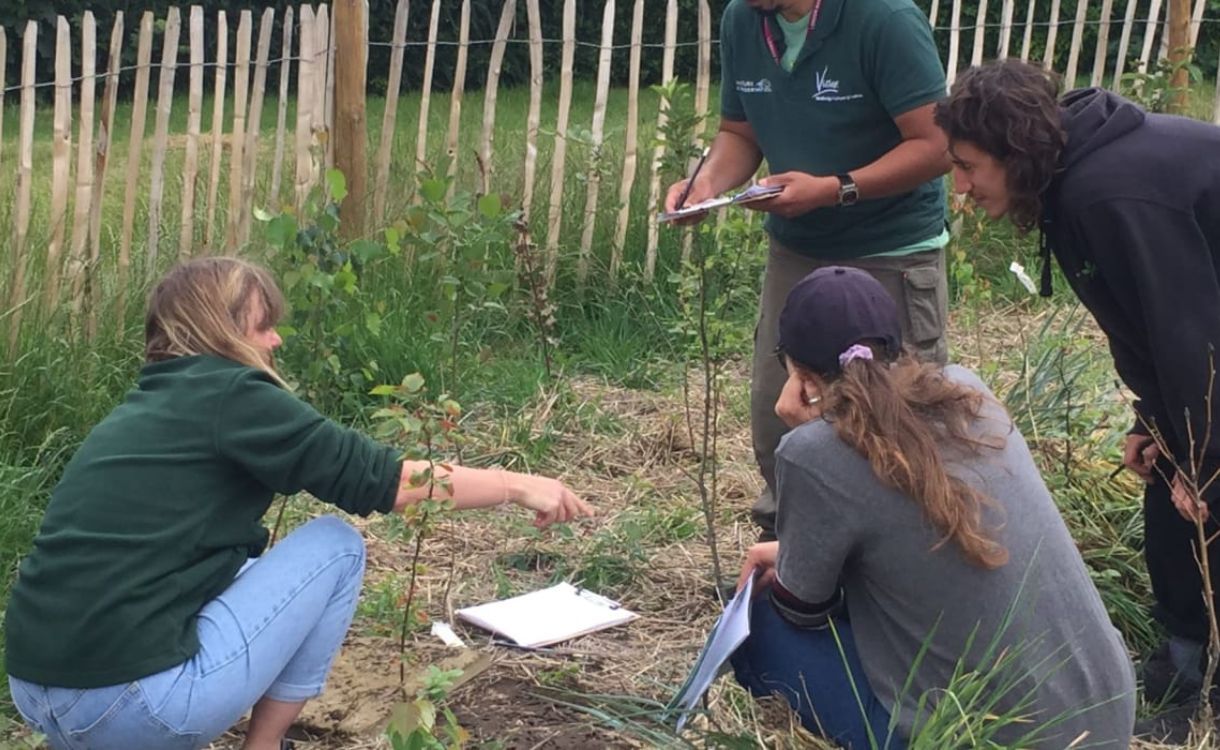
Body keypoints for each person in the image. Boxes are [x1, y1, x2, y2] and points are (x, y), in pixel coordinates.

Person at [4, 257, 594, 750]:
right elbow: (385, 481)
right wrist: (516, 484)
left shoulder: (141, 407)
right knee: (335, 548)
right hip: (132, 707)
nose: (276, 339)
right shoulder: (233, 392)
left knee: (248, 570)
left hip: (34, 689)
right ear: (224, 332)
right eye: (263, 326)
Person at [729, 266, 1135, 748]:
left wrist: (803, 437)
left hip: (983, 739)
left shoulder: (813, 452)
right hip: (1104, 714)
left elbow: (803, 610)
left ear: (797, 372)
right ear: (896, 346)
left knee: (757, 630)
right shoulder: (968, 389)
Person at [934, 59, 1220, 704]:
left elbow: (1194, 336)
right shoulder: (1072, 182)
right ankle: (1180, 674)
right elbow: (1151, 326)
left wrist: (1206, 463)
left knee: (1204, 508)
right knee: (1171, 497)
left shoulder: (1110, 192)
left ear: (1016, 151)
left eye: (968, 165)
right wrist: (1157, 425)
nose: (961, 187)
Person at [663, 0, 953, 542]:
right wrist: (704, 187)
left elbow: (937, 145)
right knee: (781, 415)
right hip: (798, 249)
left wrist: (835, 188)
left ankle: (900, 561)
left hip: (891, 249)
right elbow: (740, 133)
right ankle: (794, 562)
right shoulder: (743, 20)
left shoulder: (884, 19)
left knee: (895, 417)